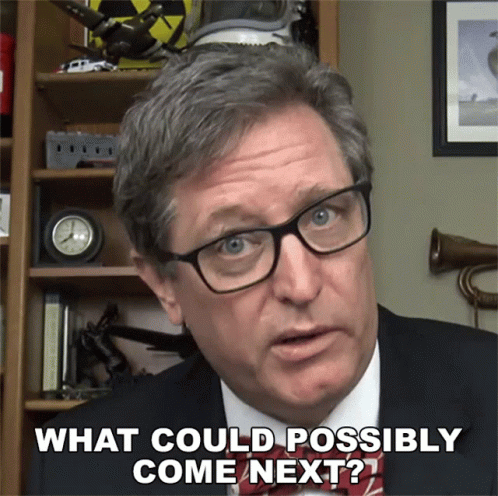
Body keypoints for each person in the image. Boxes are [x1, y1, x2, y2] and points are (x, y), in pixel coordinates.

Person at [29, 43, 496, 495]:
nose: (301, 285)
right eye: (234, 244)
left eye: (323, 215)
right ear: (164, 284)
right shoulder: (77, 472)